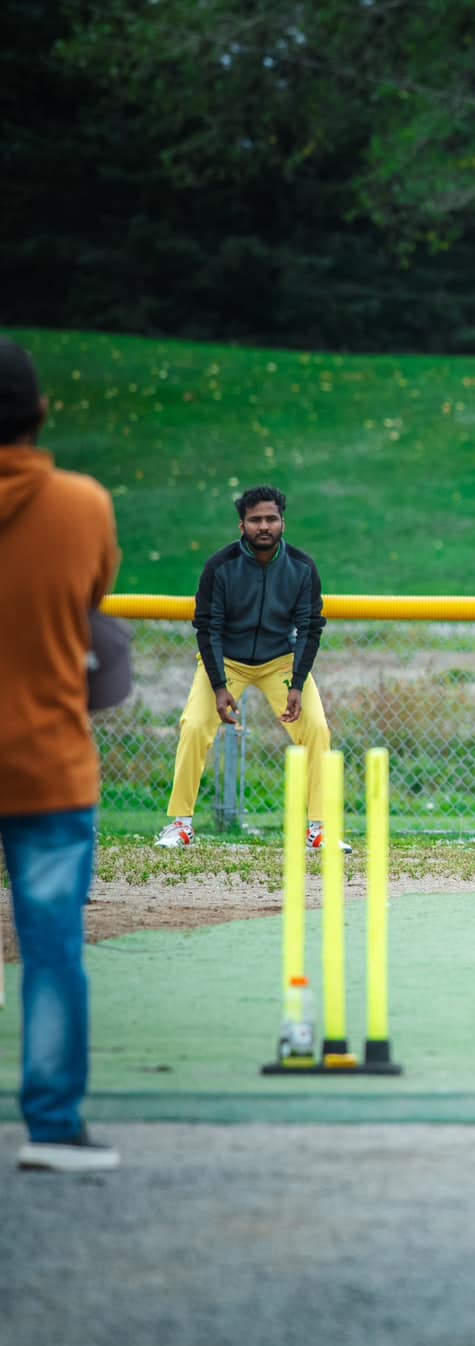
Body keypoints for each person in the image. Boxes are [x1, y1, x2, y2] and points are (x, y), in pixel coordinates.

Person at [0, 336, 123, 1171]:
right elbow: (93, 609)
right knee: (50, 952)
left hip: (49, 764)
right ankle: (51, 1127)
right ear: (41, 414)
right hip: (46, 760)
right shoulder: (83, 505)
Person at [154, 485, 346, 852]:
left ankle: (319, 829)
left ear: (282, 523)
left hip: (280, 662)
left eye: (270, 519)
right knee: (194, 726)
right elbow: (207, 626)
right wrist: (219, 684)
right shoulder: (219, 566)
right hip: (227, 661)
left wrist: (297, 683)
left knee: (318, 729)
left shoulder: (302, 567)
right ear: (241, 525)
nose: (263, 526)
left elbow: (310, 627)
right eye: (255, 519)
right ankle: (180, 824)